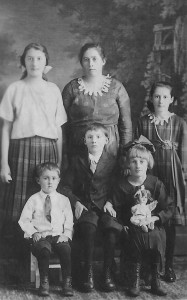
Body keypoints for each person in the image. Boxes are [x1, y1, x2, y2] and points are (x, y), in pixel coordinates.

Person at [0, 43, 67, 238]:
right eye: (30, 58)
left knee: (45, 200)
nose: (34, 63)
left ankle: (44, 245)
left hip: (48, 150)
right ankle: (18, 253)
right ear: (24, 62)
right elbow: (5, 129)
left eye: (39, 58)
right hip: (20, 151)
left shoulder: (53, 90)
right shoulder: (15, 89)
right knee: (19, 203)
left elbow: (58, 129)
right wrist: (4, 164)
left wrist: (59, 162)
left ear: (46, 62)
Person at [135, 81, 187, 282]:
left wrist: (182, 176)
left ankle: (169, 266)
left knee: (169, 221)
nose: (161, 100)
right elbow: (139, 150)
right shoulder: (144, 122)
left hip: (172, 175)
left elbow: (184, 154)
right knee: (150, 217)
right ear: (151, 98)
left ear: (172, 100)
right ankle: (150, 267)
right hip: (152, 174)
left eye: (165, 97)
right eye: (157, 96)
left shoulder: (179, 123)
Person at [62, 123, 123, 292]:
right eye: (90, 137)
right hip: (86, 207)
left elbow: (118, 187)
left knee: (111, 229)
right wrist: (76, 202)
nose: (94, 140)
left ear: (106, 140)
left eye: (98, 137)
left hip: (105, 206)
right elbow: (65, 187)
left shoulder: (112, 162)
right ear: (84, 141)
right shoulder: (77, 161)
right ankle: (87, 273)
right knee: (88, 228)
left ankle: (107, 273)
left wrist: (111, 201)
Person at [112, 137, 174, 297]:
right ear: (128, 164)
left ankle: (155, 279)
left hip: (152, 222)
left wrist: (155, 218)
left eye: (142, 161)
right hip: (131, 225)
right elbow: (115, 209)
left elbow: (168, 207)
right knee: (137, 236)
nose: (138, 165)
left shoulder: (155, 183)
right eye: (133, 161)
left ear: (148, 164)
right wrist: (121, 224)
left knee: (156, 235)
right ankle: (135, 279)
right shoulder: (121, 185)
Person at [62, 42, 132, 160]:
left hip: (111, 152)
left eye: (95, 59)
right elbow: (62, 125)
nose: (91, 64)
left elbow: (126, 126)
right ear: (81, 63)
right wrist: (64, 155)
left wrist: (125, 155)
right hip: (78, 152)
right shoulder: (71, 88)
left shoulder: (116, 87)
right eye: (86, 59)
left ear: (103, 61)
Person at [18, 162, 74, 297]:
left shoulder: (64, 200)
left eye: (54, 178)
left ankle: (67, 281)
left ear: (59, 180)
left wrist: (66, 234)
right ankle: (44, 280)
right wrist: (33, 232)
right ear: (38, 180)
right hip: (41, 237)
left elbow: (69, 220)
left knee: (65, 249)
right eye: (46, 178)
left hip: (58, 235)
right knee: (43, 249)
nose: (50, 182)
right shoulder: (33, 200)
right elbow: (23, 220)